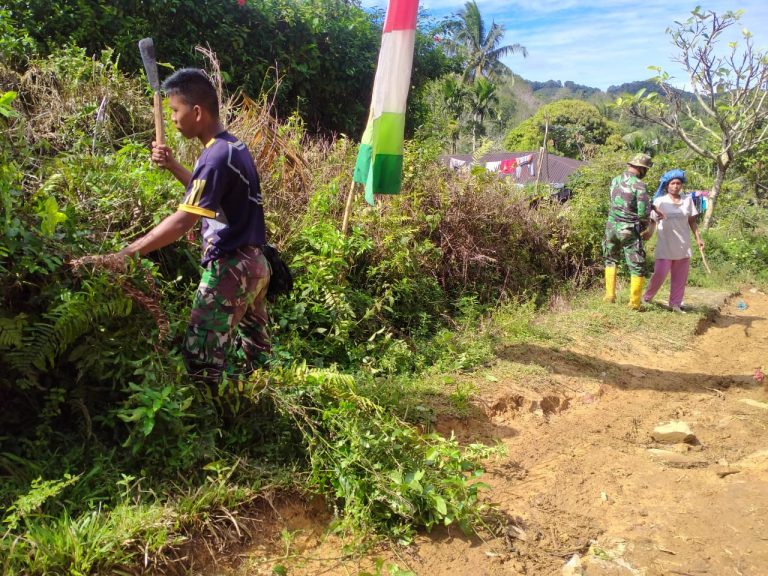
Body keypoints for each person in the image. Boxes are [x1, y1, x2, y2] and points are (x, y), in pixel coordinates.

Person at [86, 68, 271, 384]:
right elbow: (209, 198)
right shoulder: (231, 148)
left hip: (231, 268)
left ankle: (208, 423)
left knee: (201, 357)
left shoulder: (215, 156)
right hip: (255, 265)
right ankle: (263, 410)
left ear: (197, 112)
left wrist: (129, 252)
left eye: (175, 110)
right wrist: (172, 165)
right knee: (256, 353)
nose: (171, 118)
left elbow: (185, 220)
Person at [642, 169, 704, 313]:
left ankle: (675, 304)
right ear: (667, 185)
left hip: (683, 245)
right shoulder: (660, 201)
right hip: (665, 245)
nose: (676, 186)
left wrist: (699, 239)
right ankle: (646, 297)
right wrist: (649, 234)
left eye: (678, 183)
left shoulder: (687, 200)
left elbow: (692, 222)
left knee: (680, 277)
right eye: (673, 183)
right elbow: (653, 221)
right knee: (660, 274)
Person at [602, 153, 655, 309]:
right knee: (637, 264)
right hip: (628, 229)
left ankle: (609, 296)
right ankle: (634, 303)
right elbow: (643, 212)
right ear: (641, 168)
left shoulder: (615, 180)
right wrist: (645, 228)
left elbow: (619, 203)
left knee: (610, 259)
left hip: (611, 227)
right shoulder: (639, 185)